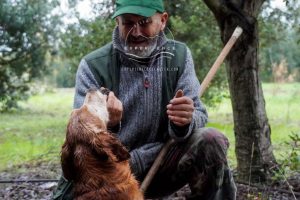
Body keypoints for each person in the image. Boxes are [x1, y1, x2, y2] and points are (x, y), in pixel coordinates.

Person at [52, 0, 237, 199]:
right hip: (109, 176)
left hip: (162, 165)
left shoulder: (179, 57)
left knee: (211, 140)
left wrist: (184, 122)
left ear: (163, 20)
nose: (136, 32)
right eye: (128, 23)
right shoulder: (93, 66)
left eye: (145, 22)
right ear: (117, 23)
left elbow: (199, 115)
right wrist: (111, 126)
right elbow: (81, 140)